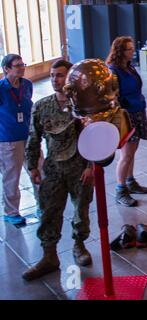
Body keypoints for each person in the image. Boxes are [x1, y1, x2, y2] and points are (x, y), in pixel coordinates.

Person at [22, 59, 95, 281]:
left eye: (60, 75)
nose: (55, 79)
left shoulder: (82, 105)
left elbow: (94, 137)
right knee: (49, 212)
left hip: (79, 167)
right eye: (53, 75)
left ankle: (79, 246)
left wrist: (90, 165)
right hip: (53, 168)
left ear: (70, 78)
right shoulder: (42, 106)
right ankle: (49, 256)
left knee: (80, 211)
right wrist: (33, 165)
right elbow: (33, 137)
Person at [106, 36, 147, 207]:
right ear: (120, 51)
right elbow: (112, 97)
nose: (133, 51)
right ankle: (120, 189)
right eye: (129, 49)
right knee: (126, 154)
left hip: (137, 110)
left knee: (132, 152)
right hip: (127, 115)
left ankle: (130, 181)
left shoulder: (129, 67)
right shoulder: (113, 70)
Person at [0, 54, 33, 225]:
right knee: (12, 176)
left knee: (38, 169)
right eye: (17, 65)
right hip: (8, 139)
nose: (22, 67)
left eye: (23, 64)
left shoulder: (27, 85)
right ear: (6, 69)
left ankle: (44, 204)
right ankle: (11, 212)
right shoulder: (1, 88)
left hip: (28, 134)